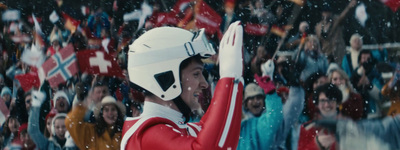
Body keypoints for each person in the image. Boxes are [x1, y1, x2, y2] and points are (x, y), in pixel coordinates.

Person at [120, 21, 244, 149]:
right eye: (196, 74)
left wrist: (235, 79)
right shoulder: (147, 135)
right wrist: (230, 79)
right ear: (165, 79)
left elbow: (214, 131)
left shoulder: (171, 127)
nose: (204, 84)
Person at [298, 83, 345, 150]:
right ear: (317, 104)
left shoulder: (347, 126)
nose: (326, 105)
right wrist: (317, 144)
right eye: (322, 101)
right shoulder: (307, 128)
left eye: (331, 100)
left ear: (337, 103)